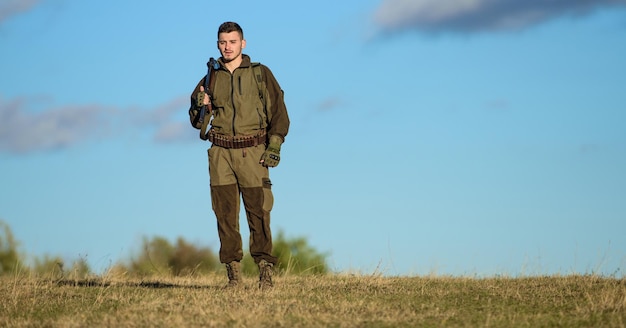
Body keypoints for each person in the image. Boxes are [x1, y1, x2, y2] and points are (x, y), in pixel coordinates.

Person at [188, 22, 290, 289]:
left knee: (258, 213)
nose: (227, 46)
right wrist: (201, 106)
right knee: (224, 216)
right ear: (217, 44)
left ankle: (265, 272)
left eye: (232, 41)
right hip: (221, 153)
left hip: (253, 152)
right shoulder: (210, 77)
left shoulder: (260, 74)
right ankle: (233, 275)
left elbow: (279, 112)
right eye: (222, 42)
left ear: (243, 43)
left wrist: (275, 145)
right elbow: (195, 121)